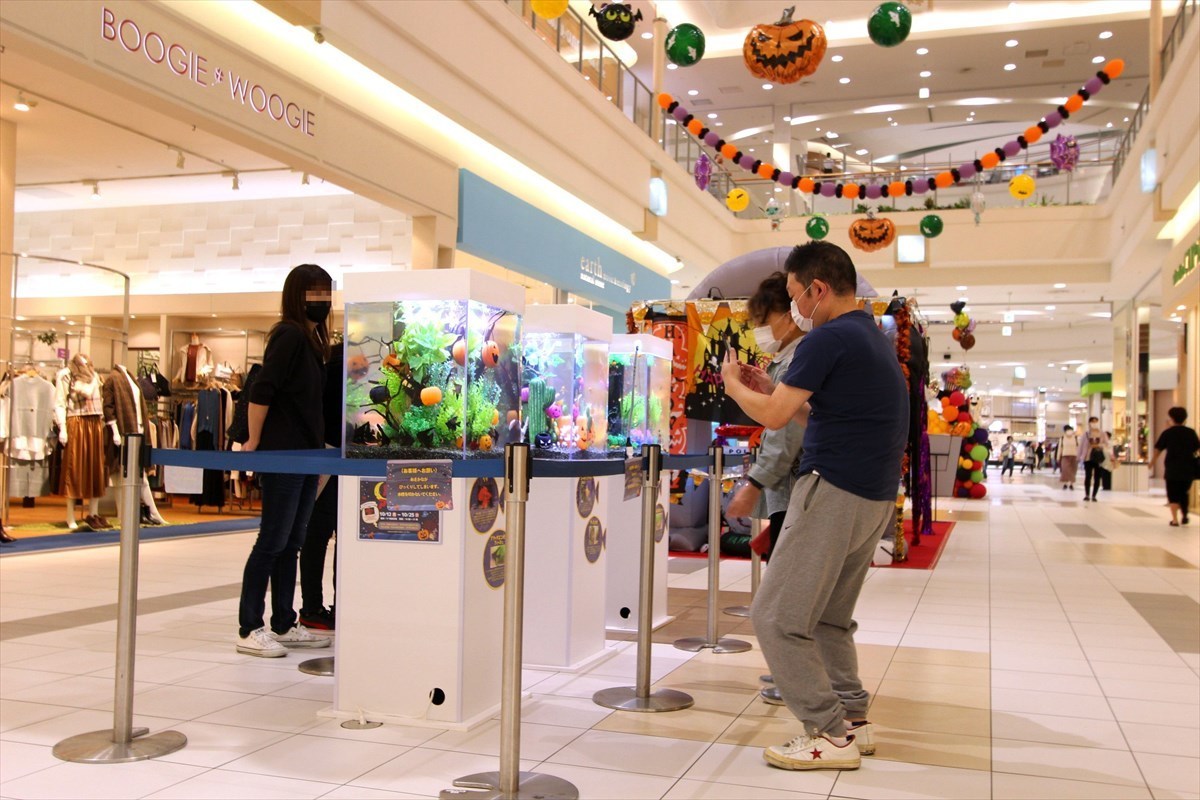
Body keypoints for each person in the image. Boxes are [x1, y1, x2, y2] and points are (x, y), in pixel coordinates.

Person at [721, 241, 908, 771]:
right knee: (828, 618)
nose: (796, 305)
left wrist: (737, 386)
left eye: (797, 293)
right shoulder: (869, 337)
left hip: (832, 489)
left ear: (817, 289)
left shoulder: (826, 339)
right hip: (871, 497)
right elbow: (816, 416)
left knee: (776, 617)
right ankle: (853, 717)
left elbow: (776, 419)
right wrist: (774, 392)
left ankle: (827, 733)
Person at [236, 264, 334, 658]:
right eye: (314, 294)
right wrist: (254, 441)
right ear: (298, 295)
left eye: (327, 293)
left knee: (292, 541)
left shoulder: (312, 341)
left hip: (306, 456)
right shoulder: (289, 335)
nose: (322, 302)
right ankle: (249, 626)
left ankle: (282, 622)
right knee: (272, 541)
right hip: (284, 454)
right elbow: (264, 389)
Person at [724, 272, 806, 557]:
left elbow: (784, 429)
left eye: (763, 321)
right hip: (791, 491)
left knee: (787, 581)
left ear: (790, 316)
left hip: (795, 491)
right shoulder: (785, 362)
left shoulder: (797, 361)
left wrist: (754, 484)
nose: (759, 330)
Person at [298, 341, 344, 632]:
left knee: (315, 537)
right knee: (347, 539)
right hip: (350, 459)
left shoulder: (325, 368)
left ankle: (311, 607)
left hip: (321, 458)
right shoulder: (351, 375)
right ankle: (342, 604)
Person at [1150, 407, 1199, 526]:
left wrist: (1152, 462)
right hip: (1188, 468)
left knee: (1173, 493)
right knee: (1184, 492)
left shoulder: (1168, 433)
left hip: (1172, 468)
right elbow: (1197, 448)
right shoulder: (1190, 432)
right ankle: (1185, 514)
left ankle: (1175, 519)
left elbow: (1158, 449)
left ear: (1172, 418)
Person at [1080, 417, 1109, 502]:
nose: (1094, 423)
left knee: (1097, 477)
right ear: (1089, 423)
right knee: (1088, 476)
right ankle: (1087, 495)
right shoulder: (1086, 434)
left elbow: (1107, 444)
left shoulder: (1102, 434)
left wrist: (1099, 445)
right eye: (1093, 422)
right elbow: (1081, 446)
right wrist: (1079, 457)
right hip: (1088, 457)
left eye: (1096, 422)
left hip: (1098, 457)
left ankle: (1094, 495)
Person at [1060, 424, 1079, 490]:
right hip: (1065, 455)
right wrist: (1058, 457)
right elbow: (1060, 448)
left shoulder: (1075, 438)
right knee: (1065, 470)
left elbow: (1078, 447)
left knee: (1073, 470)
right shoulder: (1062, 438)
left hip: (1074, 455)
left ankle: (1071, 483)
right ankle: (1065, 483)